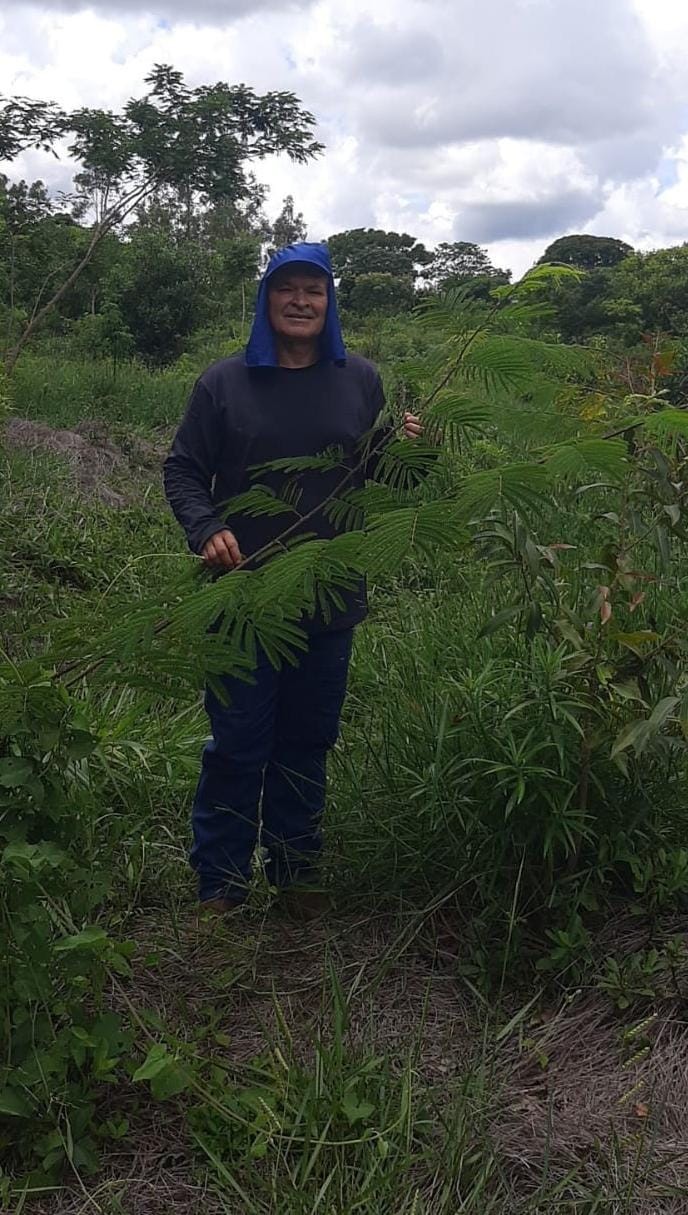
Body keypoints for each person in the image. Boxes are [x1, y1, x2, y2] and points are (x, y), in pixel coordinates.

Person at [163, 241, 422, 919]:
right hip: (242, 598)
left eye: (314, 289)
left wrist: (413, 449)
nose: (301, 301)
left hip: (329, 597)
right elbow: (183, 469)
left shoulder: (360, 379)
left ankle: (297, 872)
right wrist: (207, 528)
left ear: (330, 301)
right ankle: (219, 885)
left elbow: (383, 477)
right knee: (238, 745)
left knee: (307, 742)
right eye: (288, 289)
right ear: (266, 299)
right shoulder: (223, 383)